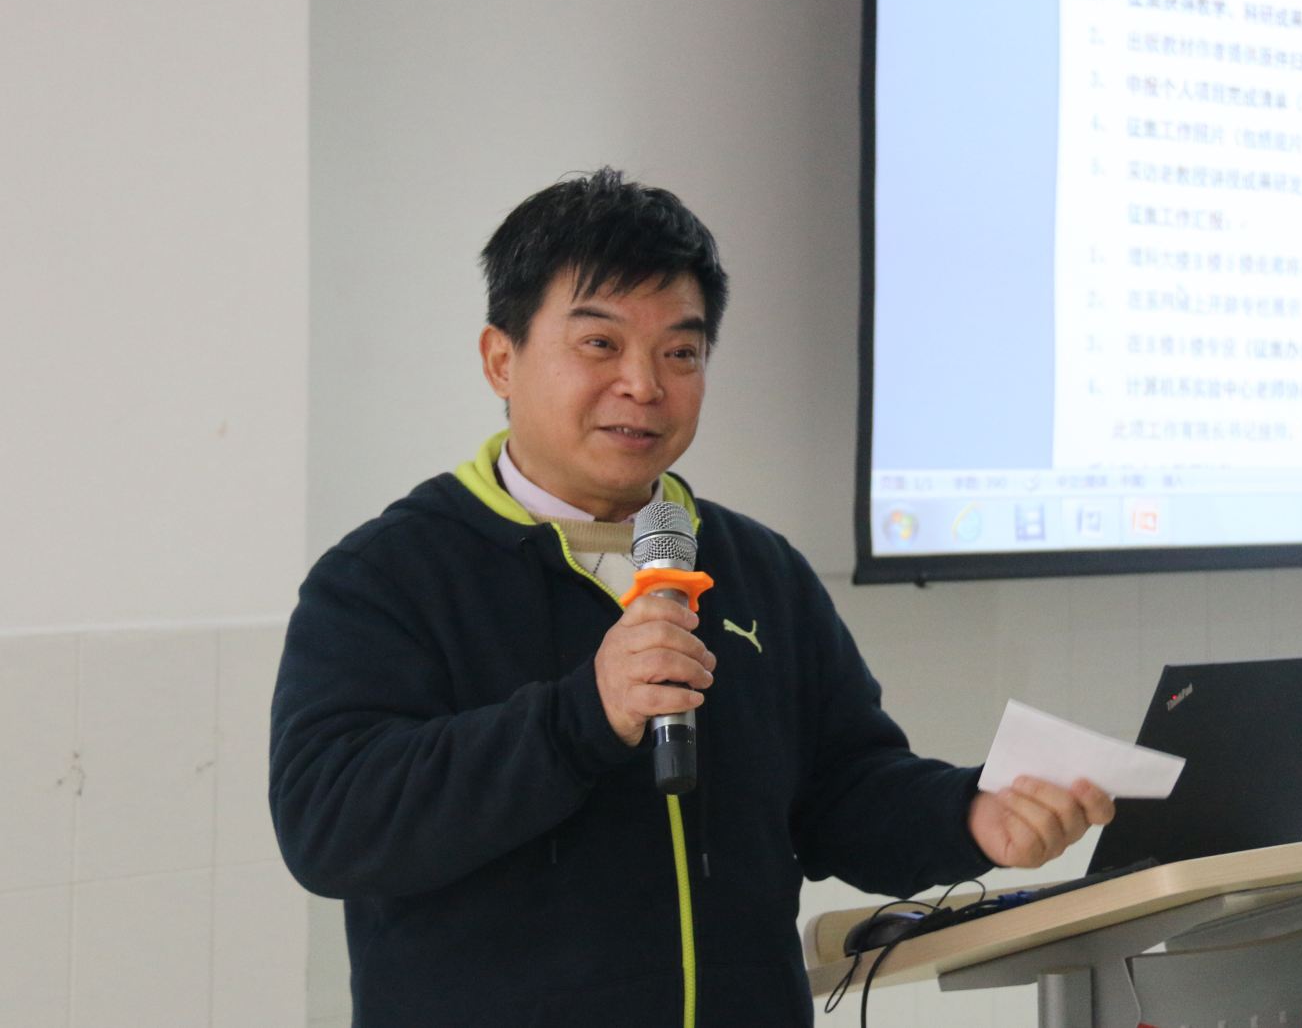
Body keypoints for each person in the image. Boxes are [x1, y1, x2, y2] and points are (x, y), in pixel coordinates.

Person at [268, 168, 1113, 1027]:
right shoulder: (387, 575)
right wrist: (581, 716)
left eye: (681, 352)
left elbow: (844, 793)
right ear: (501, 359)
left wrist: (969, 816)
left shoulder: (759, 568)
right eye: (600, 344)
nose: (644, 384)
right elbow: (328, 823)